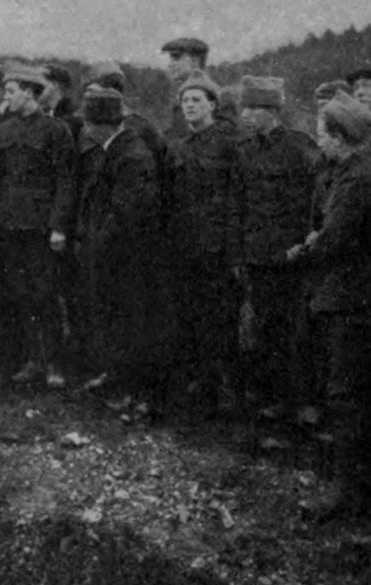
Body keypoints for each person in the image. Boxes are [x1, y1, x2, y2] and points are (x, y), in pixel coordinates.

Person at [285, 91, 371, 523]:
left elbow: (333, 238)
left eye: (322, 133)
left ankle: (349, 492)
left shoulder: (359, 178)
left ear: (340, 136)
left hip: (356, 304)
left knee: (348, 398)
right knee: (347, 396)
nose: (318, 140)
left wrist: (301, 251)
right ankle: (354, 487)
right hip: (347, 299)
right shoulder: (347, 172)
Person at [235, 76, 320, 406]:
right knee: (261, 330)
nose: (245, 116)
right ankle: (269, 400)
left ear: (269, 111)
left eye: (251, 109)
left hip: (290, 256)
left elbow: (314, 201)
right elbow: (238, 204)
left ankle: (296, 403)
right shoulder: (245, 151)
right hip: (256, 255)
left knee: (292, 333)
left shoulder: (300, 147)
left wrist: (302, 245)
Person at [75, 89, 164, 395]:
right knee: (115, 318)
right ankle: (116, 375)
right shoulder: (117, 151)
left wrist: (98, 244)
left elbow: (127, 213)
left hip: (125, 256)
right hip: (113, 251)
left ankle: (130, 385)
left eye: (89, 122)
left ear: (98, 125)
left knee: (127, 319)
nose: (86, 129)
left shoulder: (130, 156)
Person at [0, 66, 74, 388]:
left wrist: (58, 226)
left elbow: (65, 181)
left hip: (41, 228)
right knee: (21, 294)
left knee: (46, 294)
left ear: (30, 92)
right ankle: (33, 360)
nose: (6, 97)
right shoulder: (4, 129)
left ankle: (55, 364)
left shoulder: (56, 130)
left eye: (12, 91)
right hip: (10, 225)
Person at [166, 70, 242, 413]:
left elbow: (238, 198)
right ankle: (199, 384)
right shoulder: (180, 146)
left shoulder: (230, 143)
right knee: (191, 315)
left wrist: (231, 247)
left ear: (213, 104)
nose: (190, 106)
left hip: (217, 247)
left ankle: (225, 389)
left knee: (221, 319)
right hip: (185, 245)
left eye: (197, 100)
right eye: (185, 101)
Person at [161, 37, 238, 138]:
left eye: (176, 57)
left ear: (194, 61)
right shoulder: (179, 103)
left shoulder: (221, 97)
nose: (170, 65)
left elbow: (229, 137)